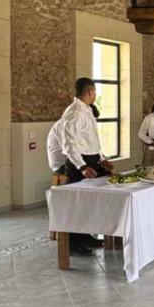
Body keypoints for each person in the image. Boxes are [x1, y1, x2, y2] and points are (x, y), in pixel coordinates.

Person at [57, 77, 110, 254]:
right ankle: (73, 244)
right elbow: (70, 145)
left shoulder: (86, 110)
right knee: (77, 203)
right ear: (89, 92)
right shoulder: (74, 113)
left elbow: (90, 139)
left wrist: (101, 159)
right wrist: (82, 167)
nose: (95, 95)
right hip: (79, 163)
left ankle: (86, 236)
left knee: (89, 203)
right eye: (94, 91)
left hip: (92, 158)